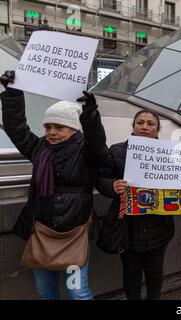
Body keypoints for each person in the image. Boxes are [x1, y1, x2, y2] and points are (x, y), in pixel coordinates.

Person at [0, 70, 109, 300]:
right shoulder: (39, 148)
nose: (51, 132)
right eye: (48, 126)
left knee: (77, 292)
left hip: (74, 235)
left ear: (74, 129)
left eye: (59, 127)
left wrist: (89, 116)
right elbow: (16, 129)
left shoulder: (86, 151)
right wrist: (13, 94)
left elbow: (98, 145)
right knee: (45, 292)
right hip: (41, 233)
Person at [96, 110, 181, 300]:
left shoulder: (172, 154)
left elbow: (180, 188)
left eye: (150, 124)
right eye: (140, 122)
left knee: (155, 271)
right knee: (131, 272)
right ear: (134, 126)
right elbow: (101, 180)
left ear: (157, 129)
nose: (144, 127)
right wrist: (112, 186)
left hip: (159, 225)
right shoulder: (117, 150)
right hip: (126, 227)